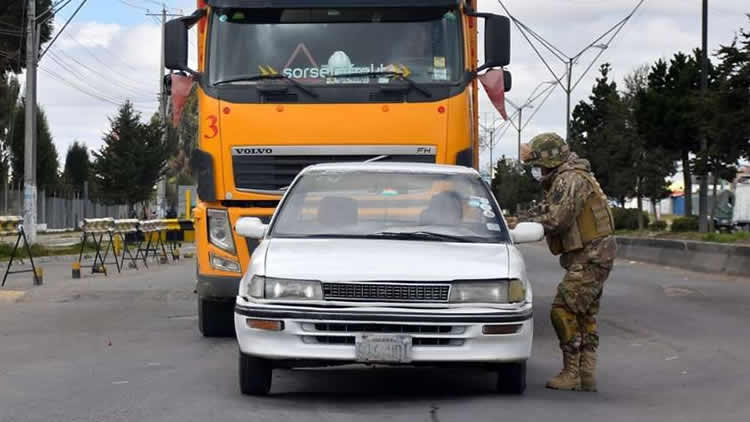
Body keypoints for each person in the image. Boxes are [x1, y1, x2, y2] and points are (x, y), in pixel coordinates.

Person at [519, 132, 616, 392]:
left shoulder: (569, 179)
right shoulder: (571, 177)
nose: (536, 172)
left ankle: (571, 372)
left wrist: (525, 225)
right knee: (584, 314)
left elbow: (556, 218)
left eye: (538, 166)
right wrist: (519, 218)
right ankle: (586, 374)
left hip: (591, 255)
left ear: (550, 161)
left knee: (562, 309)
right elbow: (548, 209)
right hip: (595, 254)